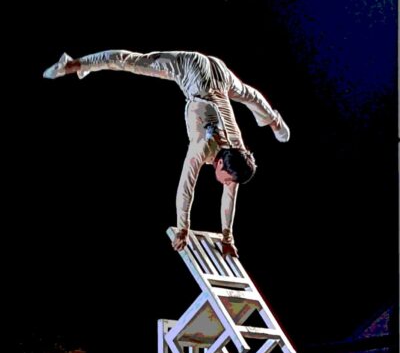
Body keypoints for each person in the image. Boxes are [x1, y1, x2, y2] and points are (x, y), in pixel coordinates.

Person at [43, 49, 290, 256]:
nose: (227, 185)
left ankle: (275, 122)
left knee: (249, 95)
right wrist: (183, 228)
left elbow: (230, 198)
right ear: (220, 166)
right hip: (191, 68)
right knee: (133, 62)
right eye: (227, 180)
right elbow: (186, 185)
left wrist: (228, 238)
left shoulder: (237, 155)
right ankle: (72, 65)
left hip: (221, 77)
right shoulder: (203, 147)